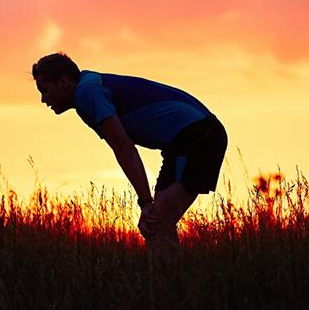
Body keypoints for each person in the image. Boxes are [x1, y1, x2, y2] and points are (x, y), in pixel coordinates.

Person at [32, 52, 227, 265]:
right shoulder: (87, 90)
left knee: (156, 224)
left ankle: (172, 287)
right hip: (182, 142)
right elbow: (124, 147)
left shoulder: (87, 92)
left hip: (198, 135)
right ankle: (170, 285)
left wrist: (145, 202)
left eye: (45, 91)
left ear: (63, 82)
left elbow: (123, 147)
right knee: (155, 226)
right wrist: (146, 202)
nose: (43, 99)